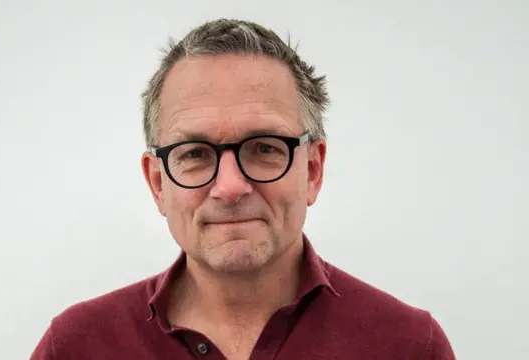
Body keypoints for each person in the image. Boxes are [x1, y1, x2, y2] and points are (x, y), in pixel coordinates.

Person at [30, 18, 455, 360]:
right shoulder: (75, 347)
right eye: (195, 153)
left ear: (312, 169)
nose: (230, 187)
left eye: (264, 148)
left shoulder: (411, 346)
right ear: (158, 183)